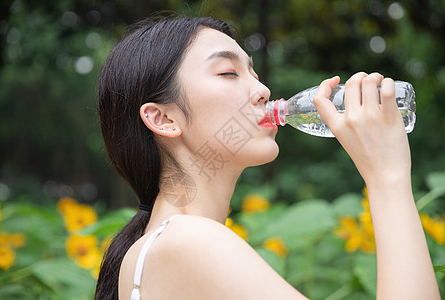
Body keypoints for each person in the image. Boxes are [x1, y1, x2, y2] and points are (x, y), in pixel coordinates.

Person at [94, 16, 440, 300]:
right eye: (228, 73)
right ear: (164, 119)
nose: (263, 91)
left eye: (254, 73)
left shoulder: (161, 246)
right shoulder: (188, 240)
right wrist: (388, 177)